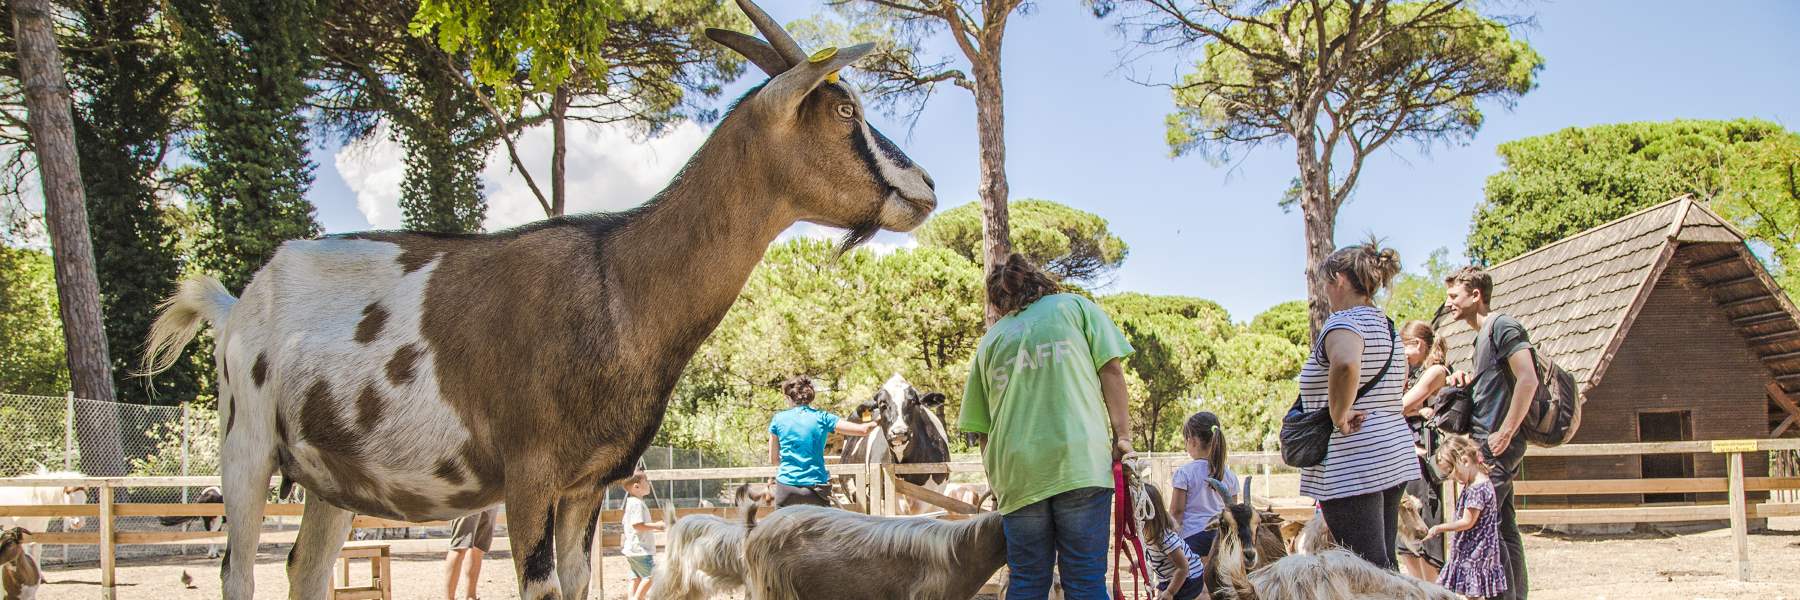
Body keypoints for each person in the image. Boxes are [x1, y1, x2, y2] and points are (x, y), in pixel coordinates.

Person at [960, 254, 1135, 600]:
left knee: (1026, 580)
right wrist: (1123, 437)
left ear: (999, 300)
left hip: (1018, 473)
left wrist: (999, 482)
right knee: (1085, 581)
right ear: (1038, 280)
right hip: (1080, 461)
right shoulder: (1075, 308)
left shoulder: (991, 341)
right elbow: (1111, 370)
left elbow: (982, 430)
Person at [1296, 239, 1418, 570]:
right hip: (1391, 449)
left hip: (1354, 456)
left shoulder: (1344, 322)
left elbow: (1347, 364)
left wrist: (1338, 414)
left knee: (1365, 568)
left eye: (1326, 284)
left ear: (1339, 280)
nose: (1325, 293)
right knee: (1385, 564)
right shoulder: (1387, 327)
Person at [1444, 266, 1535, 600]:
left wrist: (1506, 431)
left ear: (1476, 295)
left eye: (1454, 296)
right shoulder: (1480, 337)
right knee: (1503, 528)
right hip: (1485, 443)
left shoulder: (1503, 326)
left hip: (1497, 445)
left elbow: (1528, 378)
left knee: (1482, 527)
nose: (1449, 303)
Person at [768, 375, 879, 507]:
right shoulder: (823, 418)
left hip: (786, 488)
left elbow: (773, 460)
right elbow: (863, 430)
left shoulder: (778, 419)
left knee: (785, 528)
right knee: (820, 527)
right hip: (815, 489)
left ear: (788, 397)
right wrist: (882, 417)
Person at [1398, 320, 1449, 580]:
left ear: (1417, 344)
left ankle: (1433, 589)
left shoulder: (1435, 371)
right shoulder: (1411, 371)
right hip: (1405, 459)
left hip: (1423, 461)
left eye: (1404, 346)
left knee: (1425, 534)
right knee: (1406, 542)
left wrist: (1413, 409)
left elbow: (1398, 405)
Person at [1426, 435, 1507, 600]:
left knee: (1473, 594)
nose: (1453, 478)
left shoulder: (1476, 489)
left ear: (1464, 461)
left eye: (1452, 471)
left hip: (1475, 551)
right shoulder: (1481, 483)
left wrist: (1439, 528)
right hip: (1477, 549)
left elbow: (1467, 522)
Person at [1169, 411, 1238, 560]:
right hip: (1221, 540)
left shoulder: (1184, 473)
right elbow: (1232, 512)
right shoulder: (1230, 476)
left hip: (1191, 540)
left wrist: (1168, 540)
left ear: (1193, 441)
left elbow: (1176, 512)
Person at [1140, 484, 1206, 600]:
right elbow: (1155, 555)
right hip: (1170, 576)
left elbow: (1183, 567)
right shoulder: (1148, 533)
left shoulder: (1165, 539)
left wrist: (1170, 592)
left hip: (1189, 578)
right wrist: (1139, 562)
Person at [621, 472, 667, 600]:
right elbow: (637, 525)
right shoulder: (637, 504)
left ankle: (633, 598)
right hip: (641, 550)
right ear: (636, 486)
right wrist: (657, 526)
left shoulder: (631, 503)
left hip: (632, 550)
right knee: (652, 576)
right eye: (646, 481)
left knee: (636, 577)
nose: (649, 484)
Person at [442, 506, 498, 600]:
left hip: (492, 496)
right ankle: (449, 598)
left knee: (478, 547)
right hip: (468, 497)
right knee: (460, 546)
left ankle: (471, 596)